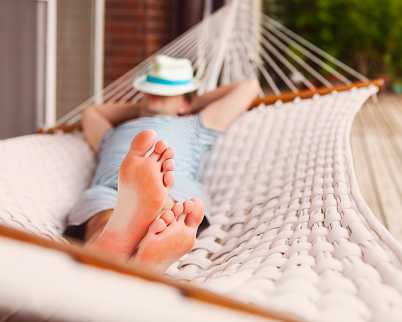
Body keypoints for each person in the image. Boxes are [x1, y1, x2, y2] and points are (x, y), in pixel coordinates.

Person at [64, 55, 259, 272]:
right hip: (110, 188)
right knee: (104, 224)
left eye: (167, 91)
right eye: (152, 89)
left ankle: (143, 229)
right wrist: (146, 108)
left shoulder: (196, 124)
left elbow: (249, 87)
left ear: (185, 104)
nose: (157, 93)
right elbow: (90, 112)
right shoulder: (112, 133)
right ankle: (136, 250)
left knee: (164, 202)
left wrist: (189, 106)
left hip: (174, 183)